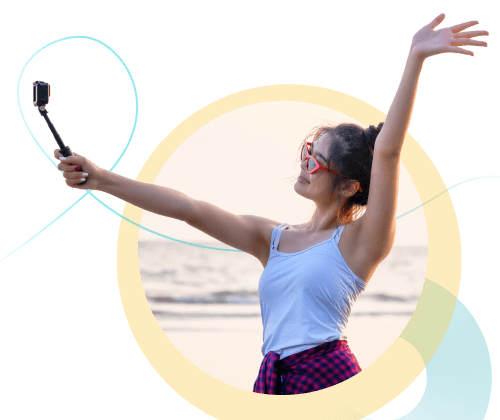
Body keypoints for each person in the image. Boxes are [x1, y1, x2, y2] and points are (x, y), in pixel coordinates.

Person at [54, 14, 489, 395]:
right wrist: (99, 178)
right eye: (306, 151)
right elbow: (189, 208)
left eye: (315, 161)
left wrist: (414, 60)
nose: (303, 165)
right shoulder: (274, 239)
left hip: (328, 373)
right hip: (271, 377)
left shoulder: (362, 242)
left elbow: (388, 154)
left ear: (349, 186)